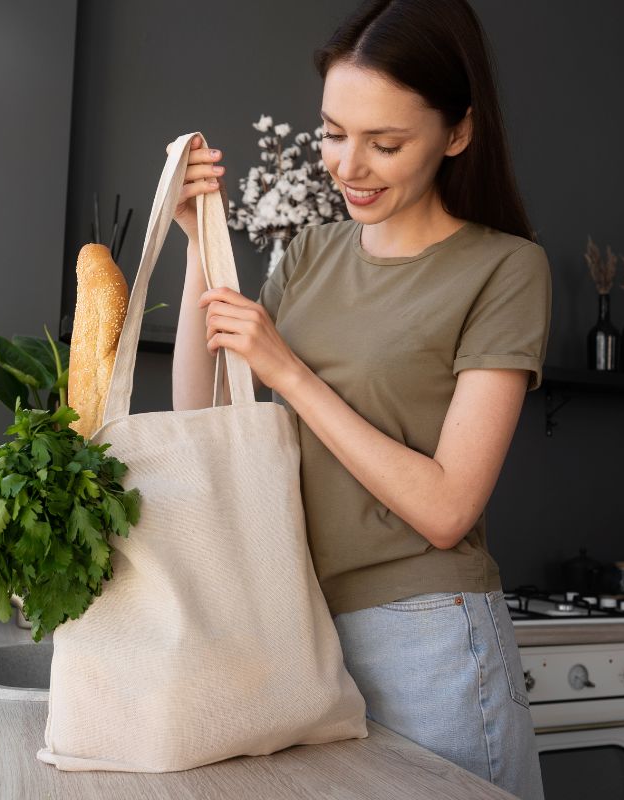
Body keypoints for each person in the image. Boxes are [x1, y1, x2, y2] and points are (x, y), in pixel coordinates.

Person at [169, 1, 548, 797]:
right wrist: (200, 246)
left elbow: (447, 508)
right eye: (334, 132)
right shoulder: (310, 251)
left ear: (457, 133)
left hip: (429, 638)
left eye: (386, 143)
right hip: (294, 629)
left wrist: (293, 372)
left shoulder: (506, 270)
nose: (348, 166)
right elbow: (206, 424)